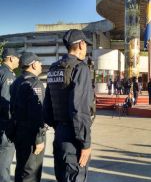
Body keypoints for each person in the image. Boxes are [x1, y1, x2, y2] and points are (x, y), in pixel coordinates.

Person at [43, 29, 94, 182]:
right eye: (85, 45)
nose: (86, 48)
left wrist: (59, 127)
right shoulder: (80, 68)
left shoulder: (53, 68)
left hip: (59, 134)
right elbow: (79, 108)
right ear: (81, 44)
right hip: (74, 138)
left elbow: (47, 107)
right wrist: (85, 143)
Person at [10, 52, 46, 182]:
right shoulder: (34, 83)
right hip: (31, 135)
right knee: (31, 173)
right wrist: (39, 139)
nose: (41, 64)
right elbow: (37, 113)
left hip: (19, 132)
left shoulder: (17, 81)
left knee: (21, 169)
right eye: (39, 61)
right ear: (33, 65)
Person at [0, 48, 20, 182]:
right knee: (3, 165)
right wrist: (12, 126)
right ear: (11, 58)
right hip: (5, 126)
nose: (19, 61)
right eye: (17, 58)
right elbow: (7, 102)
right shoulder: (8, 75)